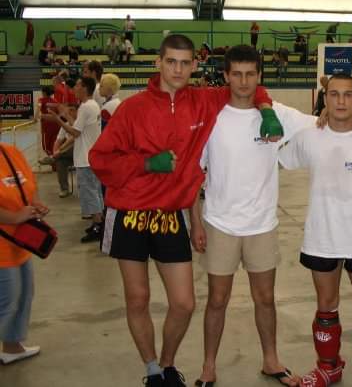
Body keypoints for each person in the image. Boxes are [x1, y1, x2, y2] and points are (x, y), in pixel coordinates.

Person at [88, 34, 282, 387]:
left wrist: (266, 109)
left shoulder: (203, 101)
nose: (177, 69)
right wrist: (146, 163)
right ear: (158, 63)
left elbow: (247, 87)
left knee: (184, 303)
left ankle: (167, 363)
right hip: (129, 213)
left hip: (170, 214)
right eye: (171, 62)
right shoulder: (132, 108)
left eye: (184, 63)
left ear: (195, 65)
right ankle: (153, 371)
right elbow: (99, 160)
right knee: (138, 298)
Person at [190, 45, 315, 387]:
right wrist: (195, 222)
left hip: (262, 224)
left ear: (259, 75)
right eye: (237, 74)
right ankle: (208, 366)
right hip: (220, 223)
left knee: (265, 299)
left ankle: (271, 360)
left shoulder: (278, 113)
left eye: (250, 74)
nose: (244, 82)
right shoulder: (212, 118)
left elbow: (321, 123)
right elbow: (193, 174)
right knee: (217, 300)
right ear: (226, 76)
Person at [278, 74, 352, 387]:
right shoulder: (309, 136)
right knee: (326, 307)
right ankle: (329, 367)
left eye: (347, 95)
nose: (341, 101)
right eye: (334, 94)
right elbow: (276, 161)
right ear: (325, 98)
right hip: (322, 237)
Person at [0, 141, 49, 364]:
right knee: (7, 299)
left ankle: (12, 347)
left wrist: (35, 203)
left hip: (19, 242)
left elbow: (29, 182)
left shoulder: (11, 152)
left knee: (23, 295)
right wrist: (14, 217)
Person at [50, 77, 105, 243]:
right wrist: (67, 115)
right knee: (94, 191)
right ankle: (98, 222)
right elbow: (78, 127)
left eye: (78, 85)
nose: (74, 88)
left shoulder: (86, 107)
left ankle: (98, 225)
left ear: (85, 88)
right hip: (90, 156)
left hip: (85, 158)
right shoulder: (91, 105)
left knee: (90, 192)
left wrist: (58, 119)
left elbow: (75, 132)